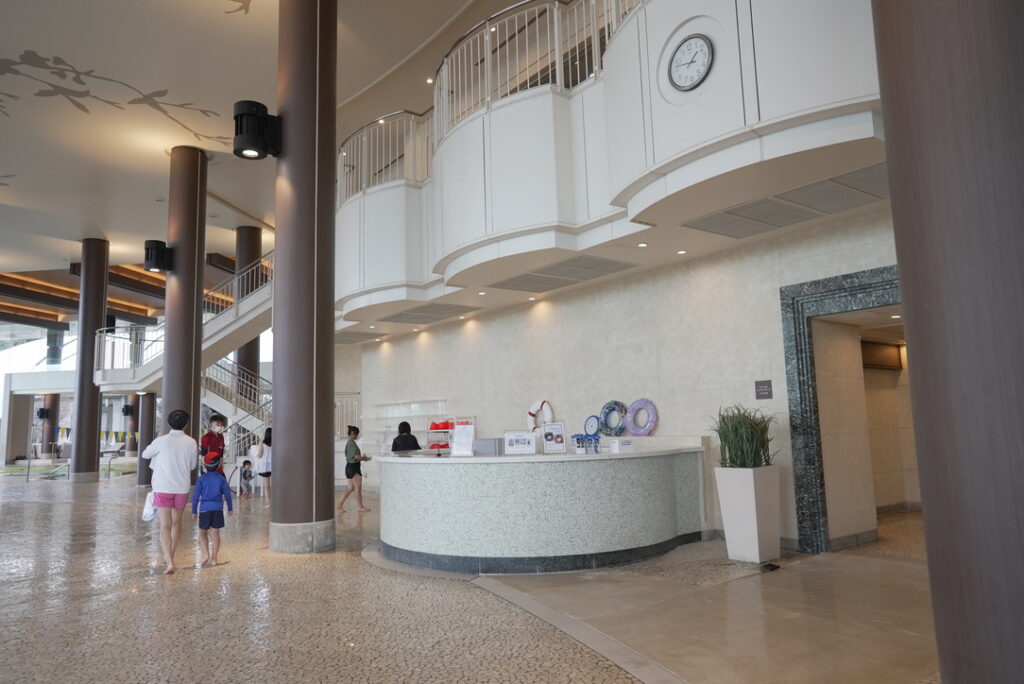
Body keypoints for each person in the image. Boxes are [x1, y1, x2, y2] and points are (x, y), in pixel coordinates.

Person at [141, 409, 198, 575]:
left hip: (163, 487)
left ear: (168, 423)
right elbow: (193, 466)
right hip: (182, 487)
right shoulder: (191, 442)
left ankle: (169, 561)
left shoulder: (161, 441)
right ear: (186, 424)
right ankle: (170, 556)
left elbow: (145, 454)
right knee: (176, 523)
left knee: (164, 525)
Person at [191, 453, 233, 567]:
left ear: (205, 465)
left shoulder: (201, 479)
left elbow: (196, 497)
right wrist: (230, 507)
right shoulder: (221, 478)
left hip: (204, 510)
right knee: (215, 533)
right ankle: (214, 559)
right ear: (218, 465)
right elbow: (227, 494)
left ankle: (206, 554)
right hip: (217, 509)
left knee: (202, 532)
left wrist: (194, 511)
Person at [337, 425, 371, 513]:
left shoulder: (348, 443)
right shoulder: (351, 443)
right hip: (354, 467)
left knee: (350, 487)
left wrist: (362, 457)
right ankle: (360, 507)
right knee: (357, 488)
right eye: (357, 434)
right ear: (353, 434)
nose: (357, 436)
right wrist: (364, 458)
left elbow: (351, 455)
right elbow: (356, 456)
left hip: (349, 467)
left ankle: (340, 504)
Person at [255, 427, 272, 508]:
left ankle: (268, 503)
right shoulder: (276, 441)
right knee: (274, 486)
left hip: (265, 466)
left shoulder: (262, 443)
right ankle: (275, 502)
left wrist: (256, 454)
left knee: (267, 486)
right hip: (274, 465)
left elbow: (260, 455)